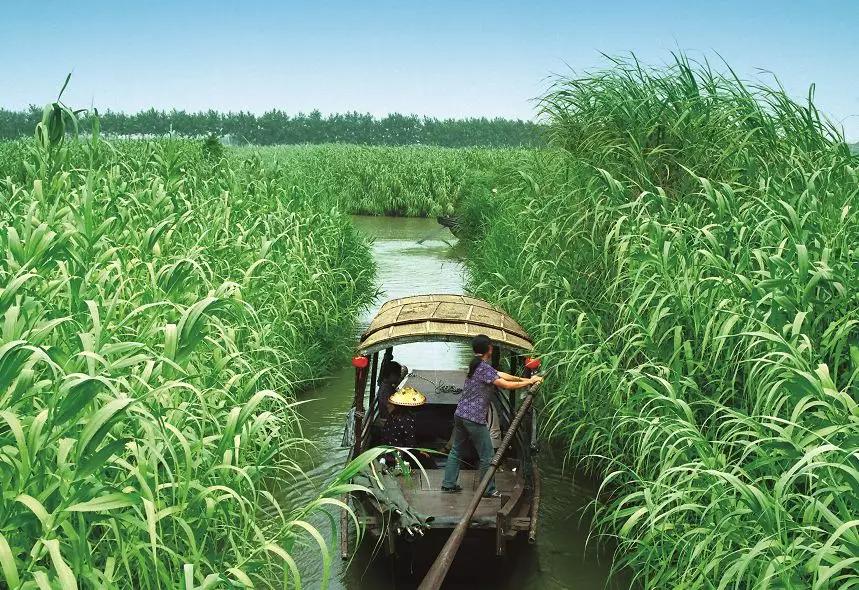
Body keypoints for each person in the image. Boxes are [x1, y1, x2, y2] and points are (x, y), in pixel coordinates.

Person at [441, 334, 542, 497]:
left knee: (456, 450)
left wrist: (525, 379)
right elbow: (506, 385)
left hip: (460, 414)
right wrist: (530, 382)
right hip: (474, 418)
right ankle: (488, 490)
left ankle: (448, 484)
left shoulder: (476, 365)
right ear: (489, 349)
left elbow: (502, 375)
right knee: (487, 455)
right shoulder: (484, 367)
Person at [381, 386, 435, 468]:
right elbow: (410, 444)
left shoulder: (393, 414)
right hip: (399, 454)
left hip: (388, 449)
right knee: (428, 459)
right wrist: (420, 452)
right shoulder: (407, 419)